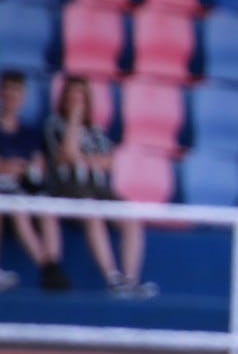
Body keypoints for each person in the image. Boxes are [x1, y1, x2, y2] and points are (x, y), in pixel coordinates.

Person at [43, 76, 157, 298]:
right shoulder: (54, 124)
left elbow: (109, 162)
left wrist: (83, 158)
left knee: (131, 218)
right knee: (92, 211)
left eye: (80, 96)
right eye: (72, 95)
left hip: (99, 187)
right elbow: (66, 154)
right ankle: (111, 278)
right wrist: (74, 121)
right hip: (69, 187)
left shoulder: (96, 131)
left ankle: (130, 280)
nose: (76, 100)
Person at [0, 70, 68, 292]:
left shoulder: (30, 133)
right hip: (4, 191)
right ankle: (48, 270)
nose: (12, 96)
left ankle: (52, 265)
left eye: (17, 91)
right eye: (8, 90)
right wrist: (10, 166)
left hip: (24, 189)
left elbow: (39, 166)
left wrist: (31, 168)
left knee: (47, 209)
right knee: (18, 210)